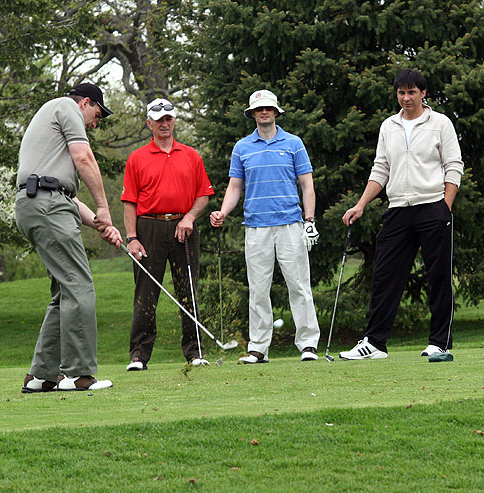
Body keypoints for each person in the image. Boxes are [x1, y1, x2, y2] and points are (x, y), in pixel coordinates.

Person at [339, 69, 464, 362]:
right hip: (397, 210)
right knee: (385, 276)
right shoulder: (389, 126)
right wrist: (360, 204)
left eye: (411, 92)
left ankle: (439, 343)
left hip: (433, 207)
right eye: (401, 93)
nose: (406, 98)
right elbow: (381, 169)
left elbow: (454, 166)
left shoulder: (440, 123)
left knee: (438, 277)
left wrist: (445, 206)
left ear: (423, 93)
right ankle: (375, 343)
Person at [17, 82, 122, 393]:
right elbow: (84, 158)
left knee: (65, 290)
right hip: (47, 205)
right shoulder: (66, 107)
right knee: (79, 286)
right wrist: (104, 207)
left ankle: (42, 377)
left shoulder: (50, 125)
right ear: (85, 102)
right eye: (98, 115)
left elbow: (65, 195)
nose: (95, 124)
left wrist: (100, 223)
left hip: (37, 203)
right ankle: (77, 375)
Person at [210, 89, 321, 363]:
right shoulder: (242, 147)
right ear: (252, 114)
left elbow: (307, 185)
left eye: (268, 108)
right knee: (258, 290)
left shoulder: (293, 143)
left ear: (275, 111)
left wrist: (309, 220)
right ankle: (258, 348)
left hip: (290, 224)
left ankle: (308, 345)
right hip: (256, 227)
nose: (264, 112)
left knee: (299, 286)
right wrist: (223, 211)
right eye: (259, 109)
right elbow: (235, 186)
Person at [121, 98, 215, 370]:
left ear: (174, 121)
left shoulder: (191, 155)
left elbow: (203, 195)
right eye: (158, 120)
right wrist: (131, 238)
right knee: (146, 292)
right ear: (148, 123)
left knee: (188, 290)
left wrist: (190, 217)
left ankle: (195, 351)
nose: (164, 123)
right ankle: (139, 355)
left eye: (168, 119)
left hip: (183, 228)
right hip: (148, 228)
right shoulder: (137, 158)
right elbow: (130, 202)